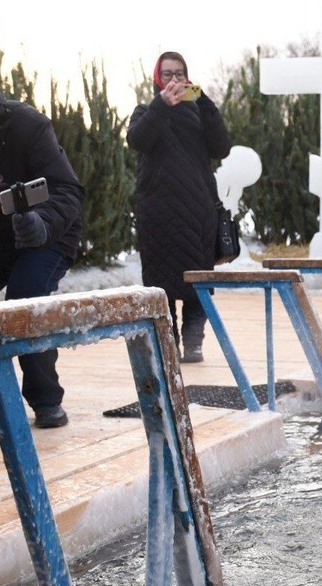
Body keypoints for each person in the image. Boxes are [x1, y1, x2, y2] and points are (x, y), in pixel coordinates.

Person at [0, 64, 83, 428]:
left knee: (26, 299)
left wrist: (41, 224)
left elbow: (68, 190)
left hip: (45, 235)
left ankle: (45, 400)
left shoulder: (28, 126)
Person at [127, 51, 231, 363]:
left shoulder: (199, 111)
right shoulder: (146, 111)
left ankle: (194, 342)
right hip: (158, 214)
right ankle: (167, 343)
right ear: (157, 79)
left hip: (198, 212)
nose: (174, 80)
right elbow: (137, 140)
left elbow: (221, 147)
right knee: (161, 283)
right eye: (168, 74)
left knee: (198, 279)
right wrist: (161, 107)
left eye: (179, 73)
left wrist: (203, 100)